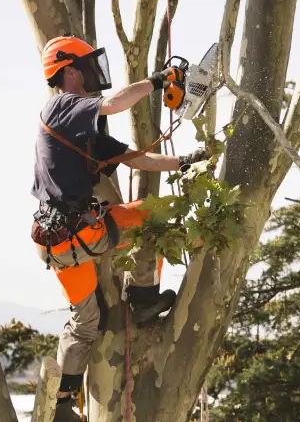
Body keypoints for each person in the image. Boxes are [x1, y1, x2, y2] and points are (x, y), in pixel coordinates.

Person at [29, 35, 208, 420]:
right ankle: (143, 298)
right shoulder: (62, 106)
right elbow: (113, 102)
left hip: (55, 242)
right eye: (88, 68)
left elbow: (136, 160)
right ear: (71, 71)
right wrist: (158, 80)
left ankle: (61, 406)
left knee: (85, 321)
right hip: (78, 233)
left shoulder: (80, 130)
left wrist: (186, 161)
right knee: (153, 214)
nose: (94, 76)